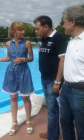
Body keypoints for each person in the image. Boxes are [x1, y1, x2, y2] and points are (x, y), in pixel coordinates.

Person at [0, 21, 34, 135]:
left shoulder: (27, 43)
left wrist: (23, 59)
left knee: (25, 98)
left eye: (23, 29)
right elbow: (9, 57)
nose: (23, 31)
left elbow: (31, 58)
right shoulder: (9, 43)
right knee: (13, 98)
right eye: (20, 30)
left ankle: (28, 121)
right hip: (11, 72)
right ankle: (14, 122)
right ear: (14, 32)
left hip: (24, 71)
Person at [33, 16, 67, 140]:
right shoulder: (44, 38)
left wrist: (57, 82)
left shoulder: (59, 38)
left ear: (46, 26)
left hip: (53, 80)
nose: (35, 31)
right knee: (50, 108)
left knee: (53, 110)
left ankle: (52, 137)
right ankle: (53, 132)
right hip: (44, 78)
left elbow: (62, 61)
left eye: (37, 29)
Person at [60, 6, 84, 140]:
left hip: (80, 92)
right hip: (66, 89)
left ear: (72, 21)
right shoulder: (72, 40)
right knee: (65, 125)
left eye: (64, 22)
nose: (63, 26)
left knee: (82, 128)